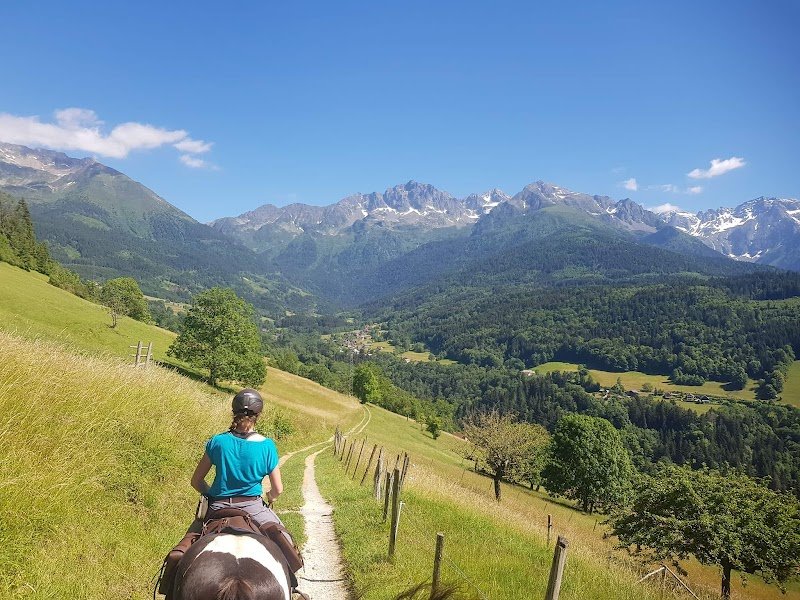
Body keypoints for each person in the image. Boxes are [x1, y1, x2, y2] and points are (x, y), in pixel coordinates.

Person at [158, 388, 297, 597]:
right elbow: (277, 489)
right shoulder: (267, 446)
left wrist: (211, 493)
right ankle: (293, 585)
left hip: (218, 507)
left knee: (183, 548)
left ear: (234, 412)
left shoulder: (217, 442)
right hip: (254, 508)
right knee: (285, 542)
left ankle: (167, 588)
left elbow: (196, 481)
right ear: (259, 415)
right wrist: (271, 498)